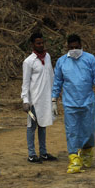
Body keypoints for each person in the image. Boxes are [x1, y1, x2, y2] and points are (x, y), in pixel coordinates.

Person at [52, 34, 95, 173]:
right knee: (72, 131)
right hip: (70, 103)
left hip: (87, 101)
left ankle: (87, 152)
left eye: (77, 47)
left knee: (88, 129)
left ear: (81, 46)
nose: (74, 50)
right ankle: (74, 157)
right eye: (71, 48)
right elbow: (57, 82)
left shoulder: (90, 59)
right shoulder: (62, 62)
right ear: (67, 47)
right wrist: (54, 100)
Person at [21, 32, 57, 163]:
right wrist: (25, 100)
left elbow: (52, 76)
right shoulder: (28, 62)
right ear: (32, 44)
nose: (41, 45)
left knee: (43, 125)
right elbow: (25, 83)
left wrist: (54, 96)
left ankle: (43, 153)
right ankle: (31, 154)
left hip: (46, 99)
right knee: (32, 127)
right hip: (34, 100)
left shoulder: (47, 57)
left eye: (42, 43)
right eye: (38, 43)